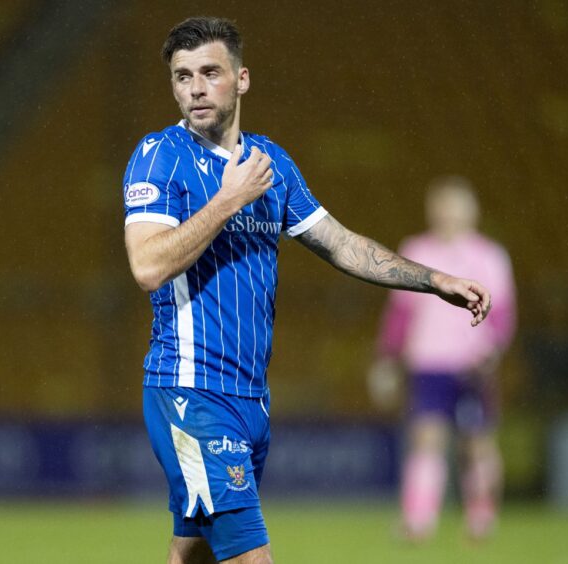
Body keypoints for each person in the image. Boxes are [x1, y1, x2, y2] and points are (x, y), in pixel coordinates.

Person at [122, 17, 493, 564]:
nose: (195, 88)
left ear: (242, 79)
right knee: (253, 557)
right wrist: (227, 200)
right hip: (190, 393)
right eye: (182, 76)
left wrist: (433, 280)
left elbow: (341, 245)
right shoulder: (159, 156)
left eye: (209, 73)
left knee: (193, 554)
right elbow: (147, 266)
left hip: (249, 400)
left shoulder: (270, 165)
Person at [369, 176, 516, 542]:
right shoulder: (416, 248)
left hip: (472, 363)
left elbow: (502, 313)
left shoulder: (489, 255)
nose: (447, 213)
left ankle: (481, 516)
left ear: (472, 211)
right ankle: (419, 519)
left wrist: (492, 350)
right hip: (428, 361)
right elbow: (401, 310)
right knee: (426, 438)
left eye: (455, 205)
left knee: (477, 442)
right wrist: (387, 355)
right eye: (441, 205)